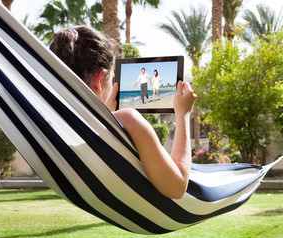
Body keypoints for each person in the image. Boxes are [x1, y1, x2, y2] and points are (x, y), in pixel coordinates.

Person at [50, 26, 196, 199]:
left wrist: (108, 114)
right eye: (111, 78)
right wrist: (183, 114)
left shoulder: (55, 126)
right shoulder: (128, 119)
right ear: (99, 80)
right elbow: (177, 187)